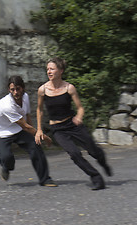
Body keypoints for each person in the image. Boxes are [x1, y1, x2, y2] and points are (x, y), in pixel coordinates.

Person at [35, 57, 113, 191]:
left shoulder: (69, 88)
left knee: (93, 150)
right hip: (58, 129)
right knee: (74, 154)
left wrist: (79, 116)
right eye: (47, 69)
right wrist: (39, 130)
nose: (49, 71)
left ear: (61, 71)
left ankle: (103, 162)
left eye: (52, 69)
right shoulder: (42, 90)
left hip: (72, 124)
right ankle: (96, 178)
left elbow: (80, 108)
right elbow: (39, 110)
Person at [0, 75, 57, 187]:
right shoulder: (7, 105)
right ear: (9, 90)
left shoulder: (25, 97)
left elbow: (27, 116)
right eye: (12, 90)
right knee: (7, 158)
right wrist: (44, 137)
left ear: (23, 88)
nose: (16, 92)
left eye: (18, 89)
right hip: (1, 132)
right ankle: (6, 167)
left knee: (35, 146)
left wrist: (34, 136)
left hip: (19, 129)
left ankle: (45, 179)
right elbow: (25, 126)